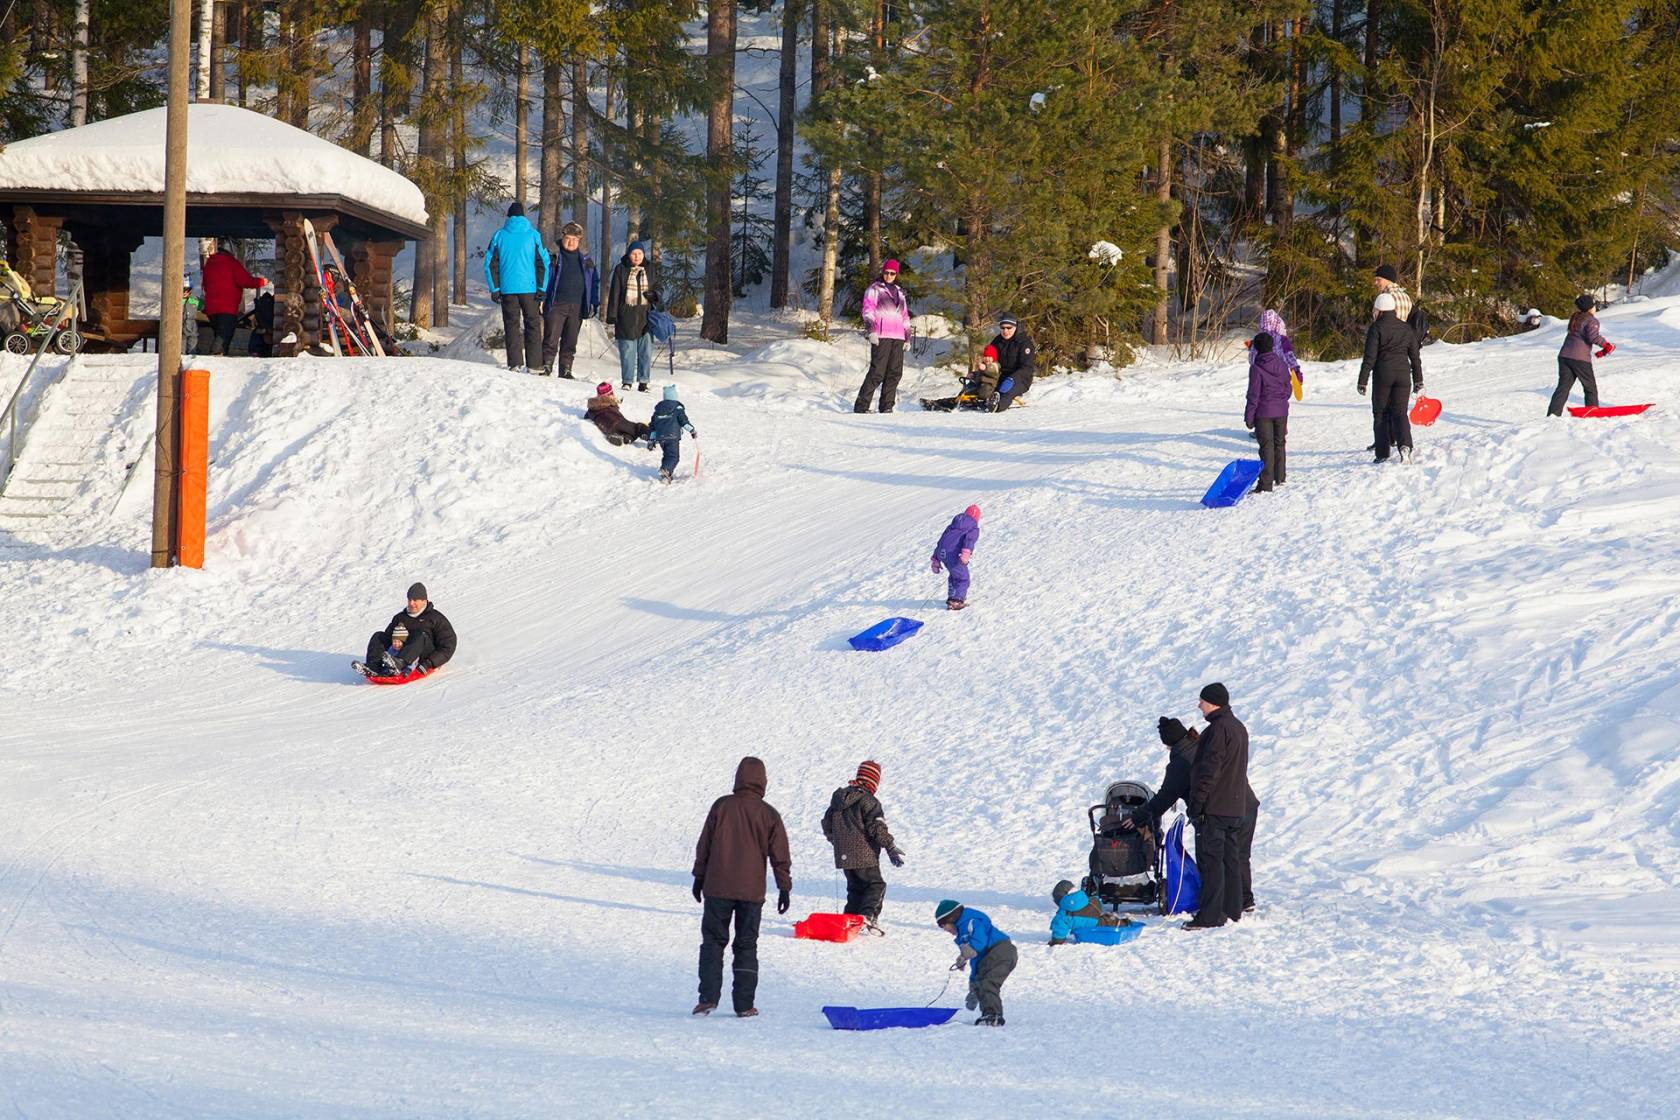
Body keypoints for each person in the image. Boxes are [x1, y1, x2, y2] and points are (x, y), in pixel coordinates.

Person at [1122, 716, 1259, 914]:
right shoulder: (1203, 744)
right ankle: (1243, 900)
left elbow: (1165, 798)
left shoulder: (1181, 762)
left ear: (1168, 743)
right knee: (1239, 855)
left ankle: (1219, 906)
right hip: (1246, 804)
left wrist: (1137, 818)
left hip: (1219, 812)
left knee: (1214, 859)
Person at [691, 756, 793, 1018]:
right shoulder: (768, 814)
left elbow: (705, 845)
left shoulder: (721, 806)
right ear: (763, 781)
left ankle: (707, 998)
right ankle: (744, 1005)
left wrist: (699, 877)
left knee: (713, 942)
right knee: (747, 945)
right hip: (751, 893)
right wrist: (784, 887)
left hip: (717, 887)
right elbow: (779, 854)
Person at [1184, 683, 1250, 929]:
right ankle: (1233, 909)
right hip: (1235, 807)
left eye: (1202, 700)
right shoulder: (1238, 727)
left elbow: (1209, 771)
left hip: (1215, 807)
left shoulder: (1217, 730)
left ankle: (1210, 916)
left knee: (1212, 863)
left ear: (1213, 703)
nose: (1199, 705)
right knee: (1230, 861)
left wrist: (1197, 803)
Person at [821, 760, 905, 932]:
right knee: (875, 885)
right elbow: (876, 827)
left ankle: (848, 920)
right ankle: (868, 916)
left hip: (844, 855)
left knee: (855, 889)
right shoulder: (869, 801)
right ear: (873, 782)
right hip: (864, 853)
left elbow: (826, 824)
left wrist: (838, 843)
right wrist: (890, 846)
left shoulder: (838, 800)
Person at [483, 202, 550, 375]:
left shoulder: (499, 235)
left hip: (507, 290)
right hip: (530, 288)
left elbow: (490, 264)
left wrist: (495, 288)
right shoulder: (533, 235)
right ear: (523, 217)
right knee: (532, 325)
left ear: (509, 216)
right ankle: (535, 364)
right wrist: (542, 287)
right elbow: (543, 263)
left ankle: (514, 363)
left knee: (511, 324)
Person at [1357, 291, 1423, 464]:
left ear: (1378, 310)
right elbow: (1415, 357)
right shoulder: (1406, 328)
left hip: (1383, 376)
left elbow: (1369, 357)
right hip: (1403, 376)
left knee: (1380, 413)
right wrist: (1418, 380)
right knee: (1400, 412)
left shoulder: (1376, 328)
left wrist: (1362, 381)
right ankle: (1405, 446)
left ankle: (1382, 453)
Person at [934, 899, 1016, 1026]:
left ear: (951, 918)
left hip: (1000, 950)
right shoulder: (964, 935)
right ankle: (989, 1013)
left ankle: (993, 1015)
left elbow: (979, 940)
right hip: (990, 956)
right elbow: (976, 960)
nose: (944, 929)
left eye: (943, 924)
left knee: (987, 982)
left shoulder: (970, 921)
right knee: (982, 982)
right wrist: (973, 986)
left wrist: (965, 954)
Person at [356, 582, 457, 678]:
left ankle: (400, 663)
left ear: (424, 600)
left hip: (424, 657)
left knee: (419, 634)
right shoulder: (400, 618)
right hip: (399, 653)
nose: (411, 603)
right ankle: (374, 666)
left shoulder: (435, 618)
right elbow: (387, 638)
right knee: (379, 636)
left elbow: (448, 645)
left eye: (415, 600)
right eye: (409, 600)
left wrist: (429, 663)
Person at [541, 221, 599, 379]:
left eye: (575, 239)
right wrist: (542, 297)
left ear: (579, 241)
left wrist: (594, 302)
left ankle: (566, 369)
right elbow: (543, 277)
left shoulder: (586, 260)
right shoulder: (553, 256)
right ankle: (546, 365)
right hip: (556, 303)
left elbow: (594, 282)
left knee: (570, 339)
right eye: (568, 238)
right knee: (551, 336)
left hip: (578, 305)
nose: (571, 242)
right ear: (563, 237)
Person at [853, 259, 911, 413]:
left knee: (894, 372)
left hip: (898, 337)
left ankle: (887, 406)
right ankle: (861, 406)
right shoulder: (875, 289)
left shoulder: (900, 292)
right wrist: (871, 330)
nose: (889, 275)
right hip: (882, 335)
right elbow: (868, 311)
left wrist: (907, 337)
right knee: (877, 371)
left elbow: (905, 316)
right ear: (883, 272)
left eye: (892, 273)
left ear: (896, 274)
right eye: (886, 272)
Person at [1548, 294, 1615, 416]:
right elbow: (1593, 337)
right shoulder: (1591, 320)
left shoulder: (1575, 317)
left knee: (1563, 388)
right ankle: (1593, 413)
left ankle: (1553, 414)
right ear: (1590, 308)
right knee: (1590, 388)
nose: (1595, 308)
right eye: (1594, 306)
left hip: (1564, 356)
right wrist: (1606, 345)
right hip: (1579, 359)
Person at [606, 241, 659, 391]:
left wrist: (654, 295)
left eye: (640, 254)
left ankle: (644, 381)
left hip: (645, 316)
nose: (637, 257)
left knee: (646, 351)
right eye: (634, 254)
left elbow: (657, 288)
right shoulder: (621, 269)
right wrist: (612, 314)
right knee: (627, 351)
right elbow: (615, 293)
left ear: (643, 255)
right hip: (625, 315)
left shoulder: (650, 269)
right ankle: (627, 381)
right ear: (629, 255)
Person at [1245, 332, 1292, 492]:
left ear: (1257, 349)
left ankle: (1265, 484)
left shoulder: (1256, 368)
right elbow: (1288, 388)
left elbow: (1253, 395)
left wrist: (1249, 417)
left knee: (1267, 447)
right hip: (1281, 411)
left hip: (1263, 413)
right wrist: (1281, 401)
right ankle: (1280, 477)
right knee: (1279, 443)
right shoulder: (1282, 364)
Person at [202, 243, 266, 355]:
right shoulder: (232, 263)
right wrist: (261, 282)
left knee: (218, 333)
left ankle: (220, 357)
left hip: (211, 308)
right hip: (227, 307)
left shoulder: (210, 265)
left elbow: (205, 285)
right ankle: (214, 357)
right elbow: (245, 280)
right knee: (223, 335)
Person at [930, 504, 980, 611]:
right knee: (963, 578)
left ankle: (953, 597)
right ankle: (956, 600)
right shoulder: (973, 528)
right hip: (953, 554)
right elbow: (969, 541)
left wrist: (936, 559)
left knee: (954, 575)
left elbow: (942, 541)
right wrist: (966, 554)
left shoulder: (952, 526)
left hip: (942, 553)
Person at [985, 314, 1035, 411]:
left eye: (1009, 328)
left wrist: (1012, 379)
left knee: (1007, 391)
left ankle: (997, 406)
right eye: (1003, 328)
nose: (1005, 331)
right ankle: (961, 400)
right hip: (1003, 375)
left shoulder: (1024, 343)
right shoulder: (999, 340)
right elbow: (991, 350)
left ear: (1015, 327)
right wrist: (988, 359)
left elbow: (1027, 368)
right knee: (985, 385)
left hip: (1020, 379)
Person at [647, 384, 696, 483]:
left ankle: (665, 476)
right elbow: (683, 421)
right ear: (675, 397)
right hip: (672, 436)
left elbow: (652, 427)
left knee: (667, 455)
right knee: (674, 456)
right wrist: (692, 430)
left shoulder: (657, 411)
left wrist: (651, 440)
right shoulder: (677, 408)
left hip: (661, 438)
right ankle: (666, 469)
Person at [1048, 880, 1121, 946]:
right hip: (1096, 922)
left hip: (1082, 934)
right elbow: (1097, 901)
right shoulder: (1089, 900)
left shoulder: (1063, 913)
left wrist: (1056, 941)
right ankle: (1124, 923)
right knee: (1109, 921)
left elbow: (1059, 928)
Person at [584, 381, 651, 447]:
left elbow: (586, 416)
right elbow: (616, 408)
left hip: (607, 428)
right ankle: (652, 435)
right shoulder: (610, 403)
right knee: (637, 427)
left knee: (628, 432)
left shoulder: (592, 408)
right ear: (609, 395)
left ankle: (624, 438)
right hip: (617, 421)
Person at [181, 279, 202, 356]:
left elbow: (202, 306)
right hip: (181, 323)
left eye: (187, 290)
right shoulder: (177, 299)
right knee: (181, 339)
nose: (185, 292)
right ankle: (181, 354)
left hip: (192, 323)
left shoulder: (194, 299)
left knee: (193, 338)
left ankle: (192, 354)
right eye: (183, 289)